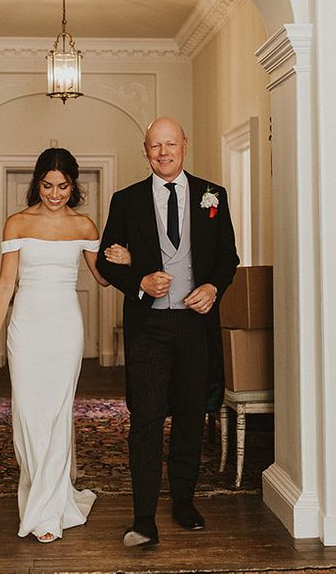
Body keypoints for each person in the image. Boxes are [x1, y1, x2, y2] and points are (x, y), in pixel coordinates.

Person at [97, 117, 239, 548]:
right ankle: (143, 518)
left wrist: (213, 287)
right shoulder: (127, 200)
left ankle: (183, 502)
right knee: (146, 418)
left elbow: (228, 257)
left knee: (192, 416)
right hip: (149, 327)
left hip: (196, 325)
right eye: (155, 145)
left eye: (170, 144)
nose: (163, 152)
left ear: (184, 146)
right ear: (145, 150)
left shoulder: (213, 196)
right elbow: (105, 262)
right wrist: (140, 281)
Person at [0, 148, 124, 543]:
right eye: (47, 185)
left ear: (73, 185)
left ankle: (46, 513)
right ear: (37, 183)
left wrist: (125, 257)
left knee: (57, 415)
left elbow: (102, 277)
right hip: (26, 326)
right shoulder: (17, 223)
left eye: (62, 186)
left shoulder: (84, 225)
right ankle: (44, 495)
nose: (55, 193)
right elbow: (6, 283)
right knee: (28, 414)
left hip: (65, 326)